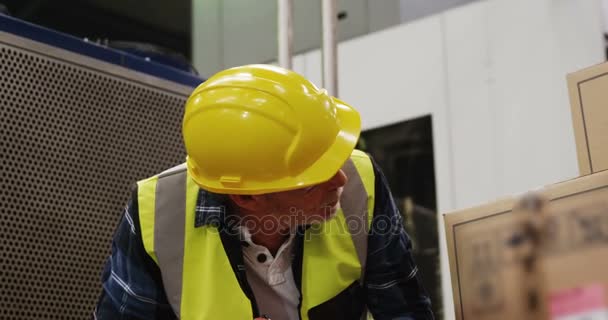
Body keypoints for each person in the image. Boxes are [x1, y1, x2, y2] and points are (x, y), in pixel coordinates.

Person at [94, 64, 434, 320]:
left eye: (334, 161)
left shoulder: (360, 182)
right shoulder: (157, 216)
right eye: (313, 180)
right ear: (247, 198)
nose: (339, 182)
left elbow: (405, 311)